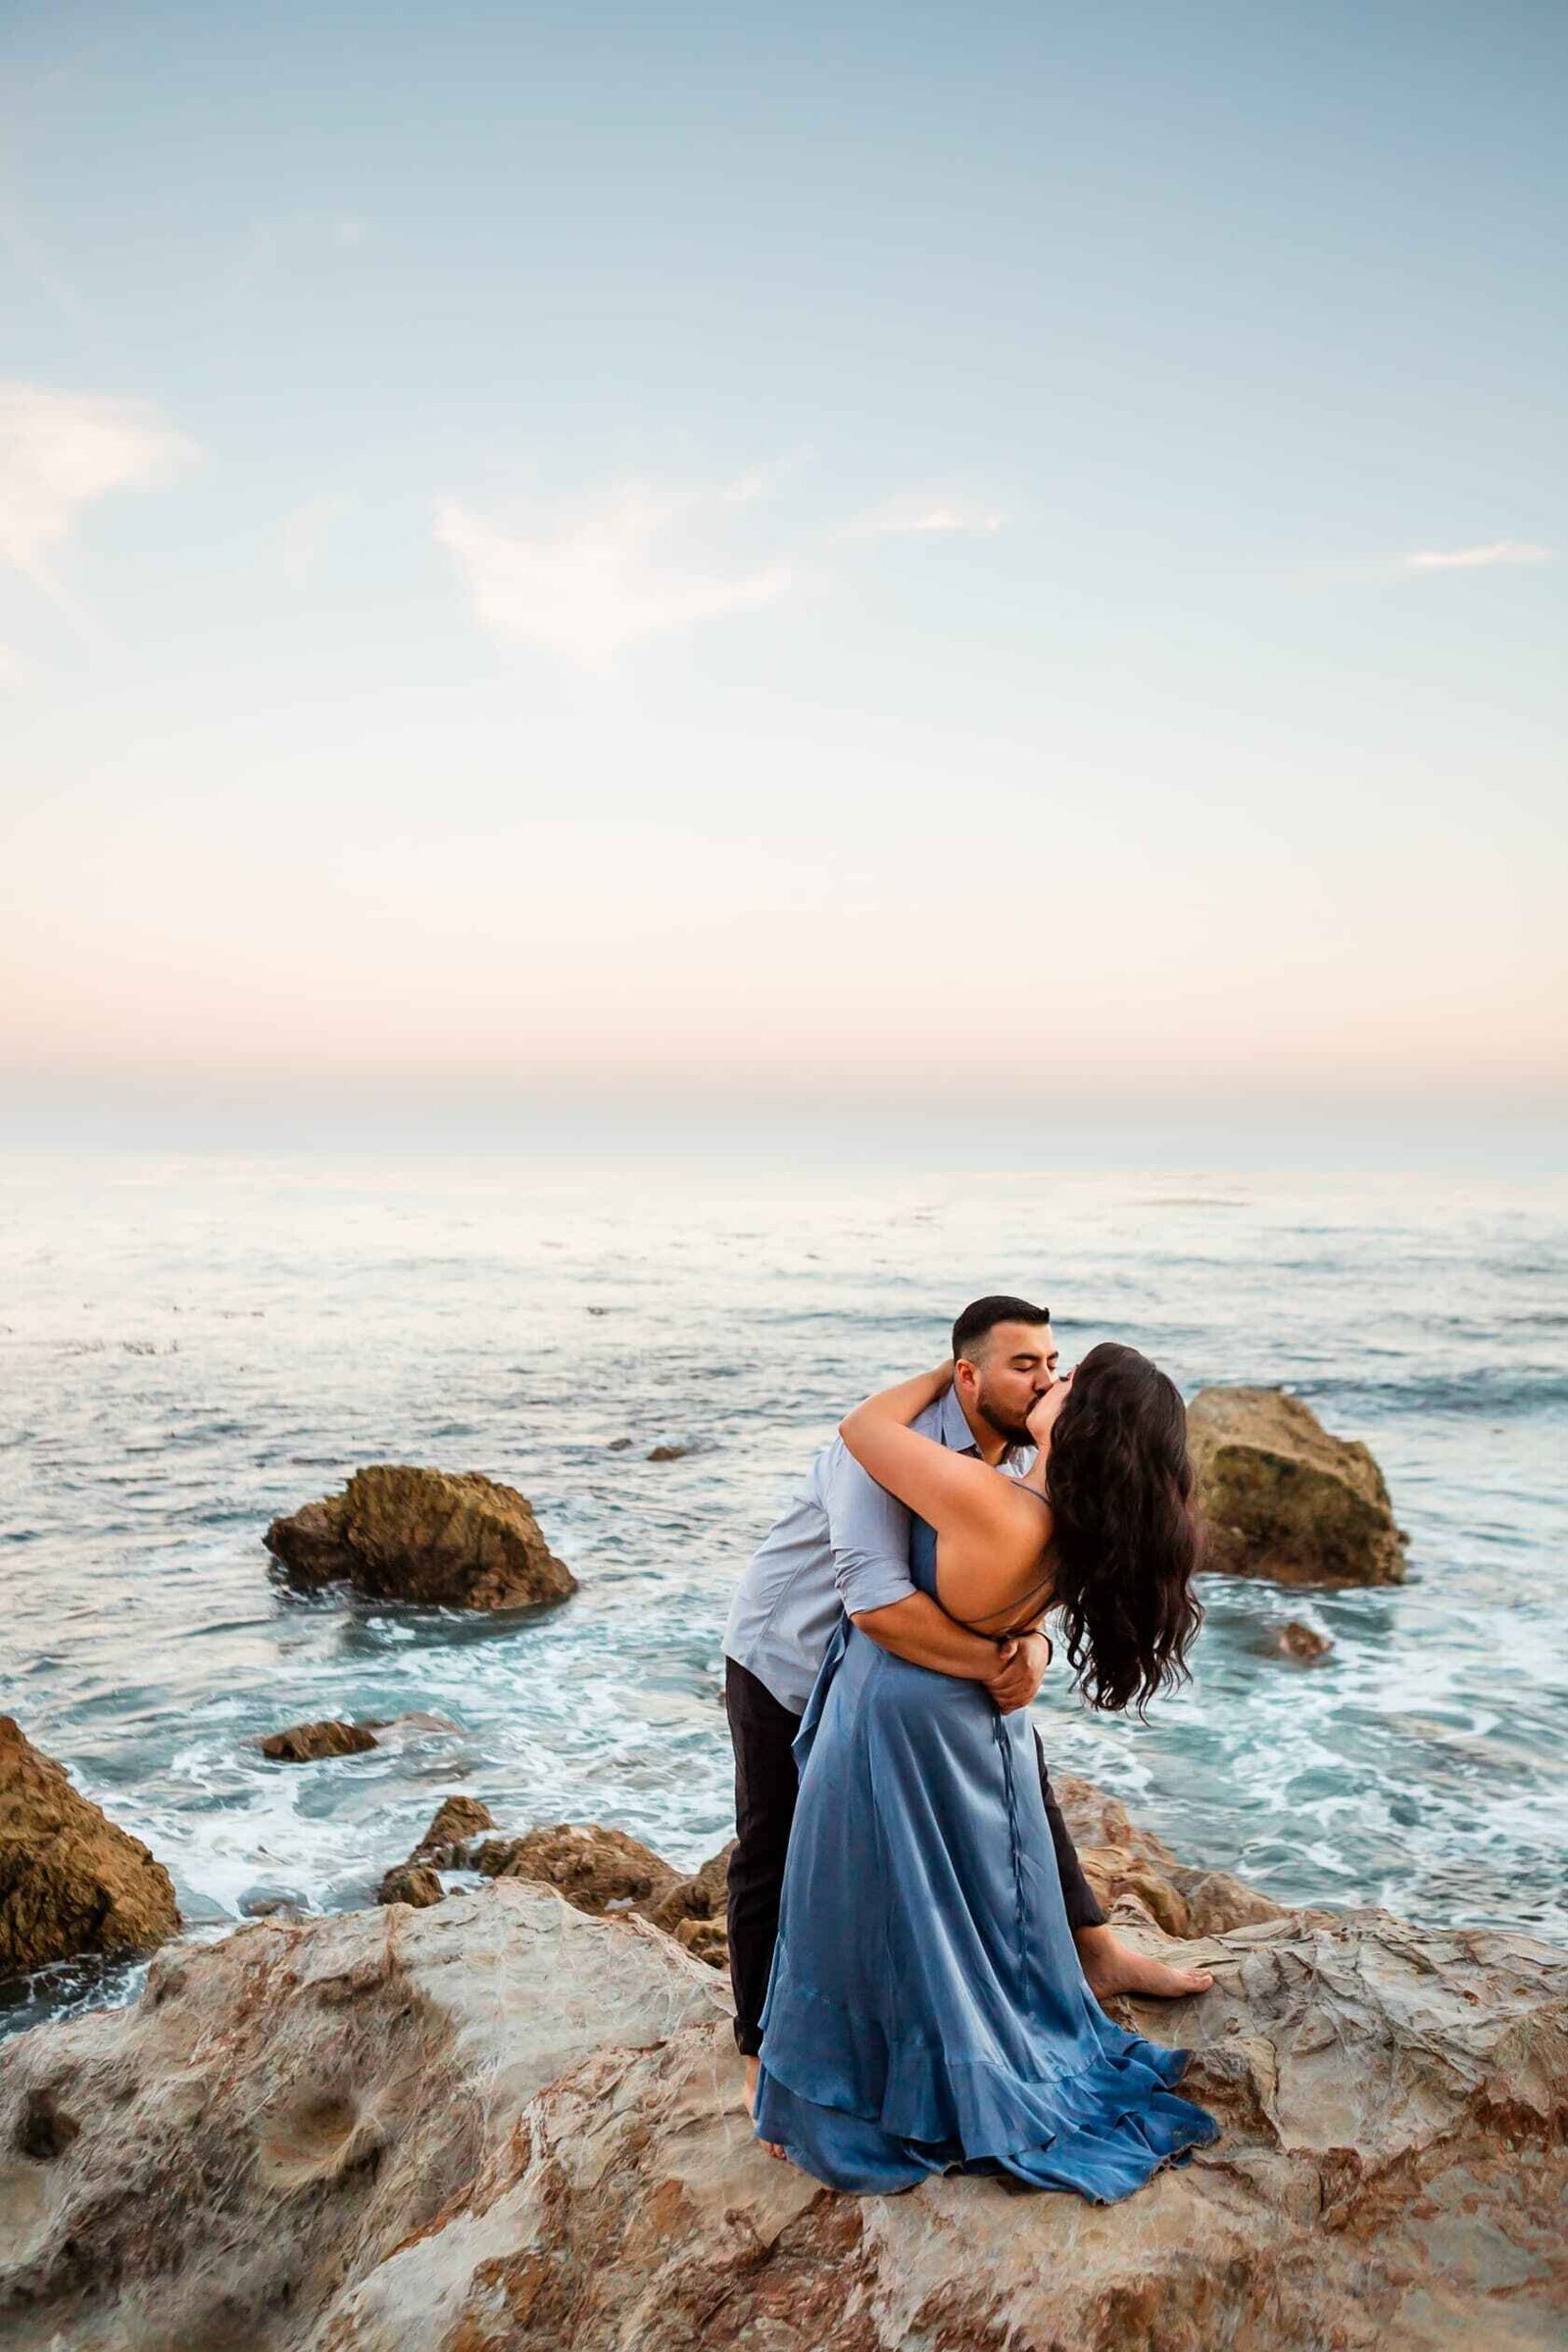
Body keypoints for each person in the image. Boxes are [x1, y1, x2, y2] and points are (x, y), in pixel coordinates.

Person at [721, 1296, 1212, 2128]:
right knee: (774, 1845)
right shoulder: (897, 1459)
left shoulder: (1030, 1477)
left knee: (1026, 1795)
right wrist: (1003, 1659)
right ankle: (759, 2049)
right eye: (1026, 1366)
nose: (1045, 1380)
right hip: (792, 1658)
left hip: (904, 1690)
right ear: (967, 1374)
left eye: (1056, 1368)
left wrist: (1033, 1650)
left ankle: (1090, 1953)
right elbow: (877, 1605)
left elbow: (1018, 1585)